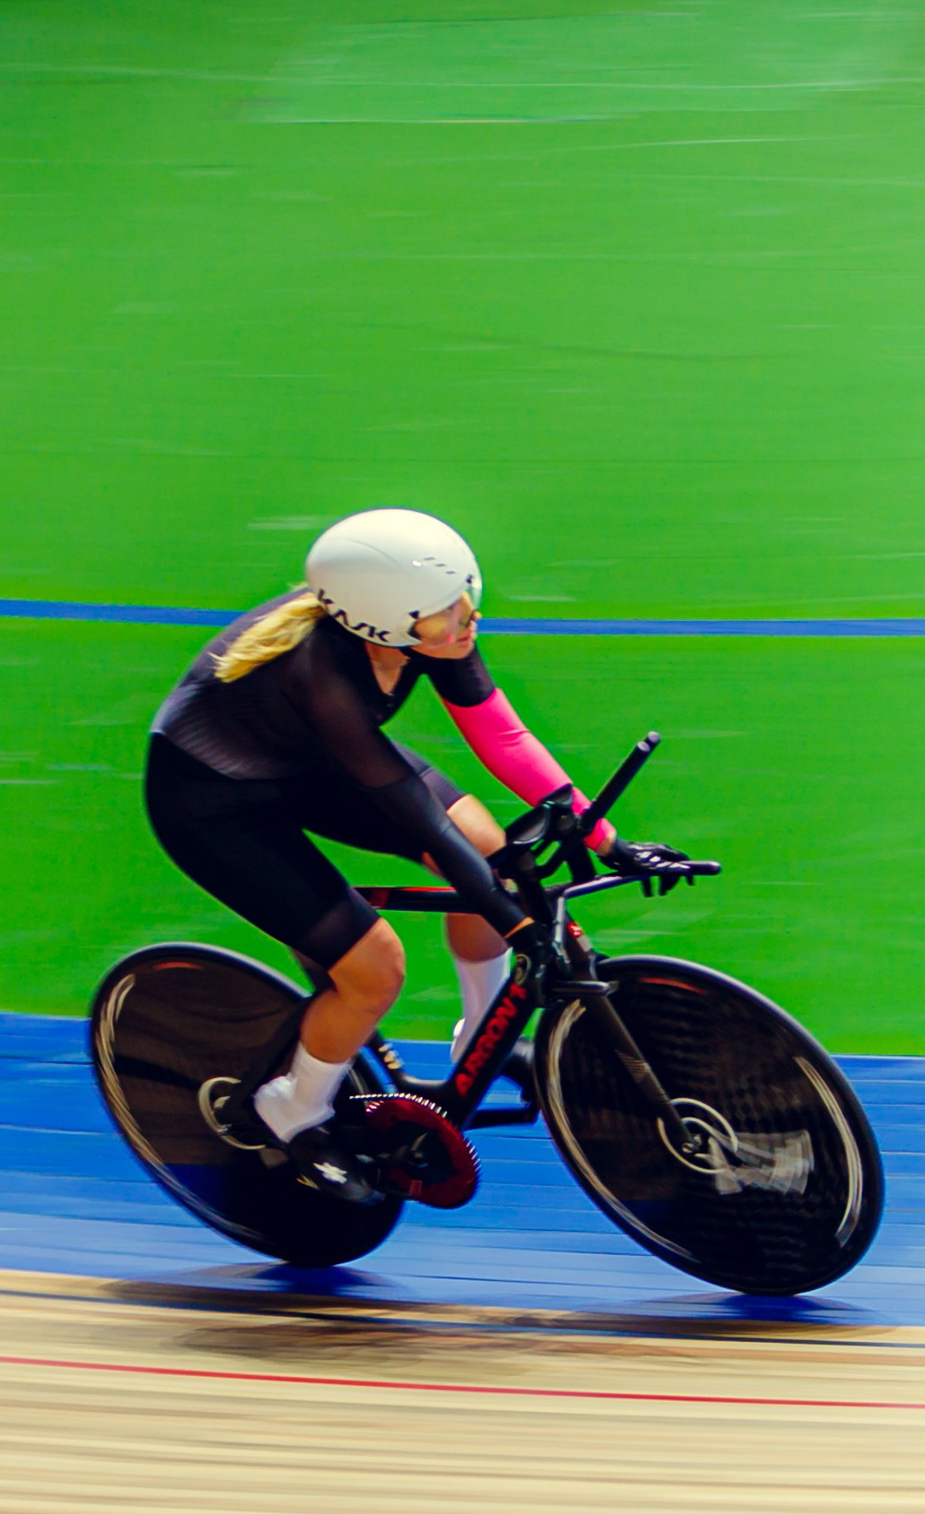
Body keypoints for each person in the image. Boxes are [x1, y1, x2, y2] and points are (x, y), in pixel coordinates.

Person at [144, 508, 691, 1199]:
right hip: (214, 804)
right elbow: (426, 823)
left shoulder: (430, 623)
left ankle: (478, 1036)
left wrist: (606, 840)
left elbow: (505, 738)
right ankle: (291, 1108)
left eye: (467, 601)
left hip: (310, 759)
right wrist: (524, 932)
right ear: (382, 625)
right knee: (375, 969)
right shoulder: (322, 675)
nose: (465, 624)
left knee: (499, 858)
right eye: (445, 616)